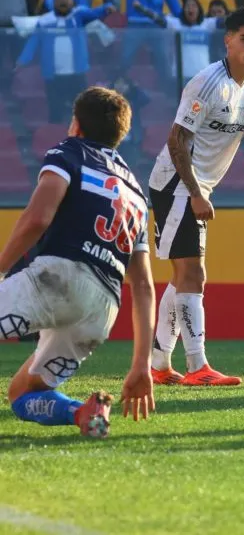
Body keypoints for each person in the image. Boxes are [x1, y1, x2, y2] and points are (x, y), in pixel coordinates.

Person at [0, 86, 155, 437]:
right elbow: (144, 286)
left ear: (76, 125)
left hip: (60, 276)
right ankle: (83, 413)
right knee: (22, 393)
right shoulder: (137, 193)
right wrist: (142, 364)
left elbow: (36, 219)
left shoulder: (69, 152)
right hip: (102, 310)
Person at [147, 8, 244, 386]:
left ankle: (159, 363)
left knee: (183, 277)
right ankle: (196, 366)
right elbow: (176, 140)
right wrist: (194, 193)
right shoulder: (207, 82)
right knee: (193, 273)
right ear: (227, 40)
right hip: (177, 184)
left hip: (196, 188)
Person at [16, 0, 115, 122]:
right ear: (54, 2)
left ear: (72, 1)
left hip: (77, 74)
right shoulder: (45, 21)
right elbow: (33, 42)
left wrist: (107, 7)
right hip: (53, 76)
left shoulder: (79, 16)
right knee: (55, 111)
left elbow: (96, 13)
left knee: (81, 112)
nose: (63, 1)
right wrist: (23, 60)